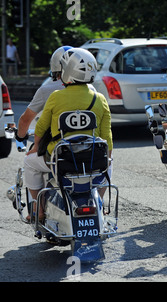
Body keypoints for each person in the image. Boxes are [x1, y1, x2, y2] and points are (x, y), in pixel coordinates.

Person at [23, 48, 113, 221]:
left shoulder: (56, 96)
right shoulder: (100, 98)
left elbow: (40, 128)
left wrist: (35, 148)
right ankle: (99, 203)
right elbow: (107, 137)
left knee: (29, 163)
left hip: (62, 161)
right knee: (110, 161)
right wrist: (106, 160)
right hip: (93, 161)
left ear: (67, 72)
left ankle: (38, 209)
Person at [15, 46, 73, 142]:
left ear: (54, 65)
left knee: (30, 157)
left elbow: (25, 120)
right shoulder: (91, 89)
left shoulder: (47, 90)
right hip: (87, 146)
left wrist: (20, 136)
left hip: (57, 144)